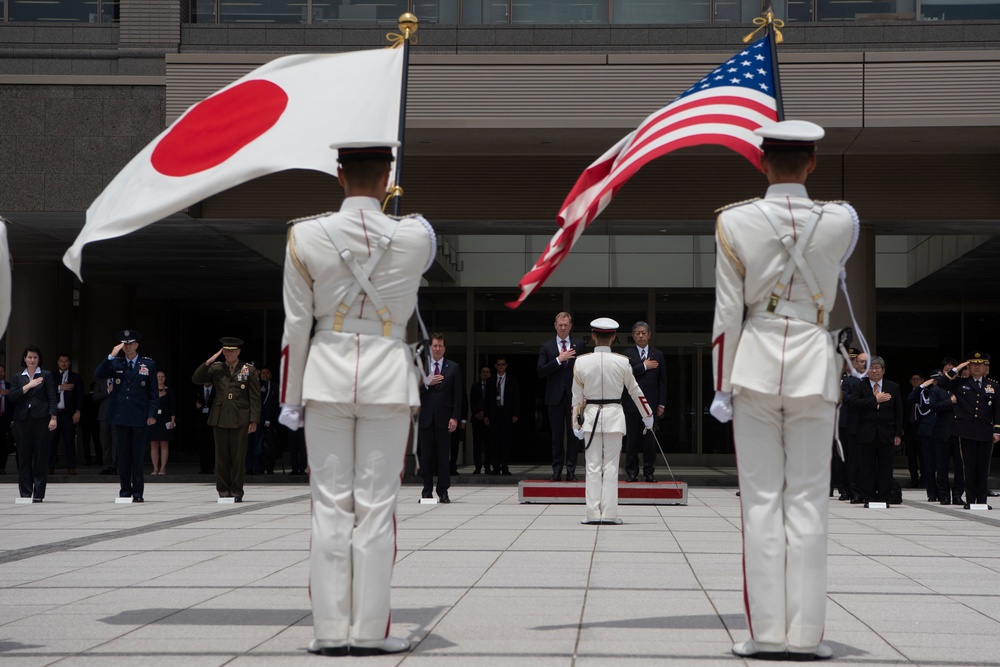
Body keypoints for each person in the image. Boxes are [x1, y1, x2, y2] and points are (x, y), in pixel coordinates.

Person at [277, 142, 435, 656]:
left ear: (338, 175)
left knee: (328, 508)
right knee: (375, 508)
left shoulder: (304, 235)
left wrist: (290, 397)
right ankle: (369, 632)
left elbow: (296, 326)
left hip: (325, 376)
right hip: (388, 379)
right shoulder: (417, 234)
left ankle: (328, 630)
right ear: (389, 175)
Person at [710, 119, 857, 661]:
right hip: (814, 366)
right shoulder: (841, 220)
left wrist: (720, 387)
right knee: (809, 502)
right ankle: (806, 636)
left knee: (762, 503)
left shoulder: (734, 221)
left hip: (753, 363)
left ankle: (768, 633)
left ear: (760, 162)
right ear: (812, 163)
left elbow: (728, 312)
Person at [571, 318, 653, 524]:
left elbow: (576, 398)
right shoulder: (622, 361)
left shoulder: (580, 362)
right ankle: (609, 514)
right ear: (614, 337)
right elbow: (636, 392)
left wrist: (575, 424)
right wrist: (648, 415)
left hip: (590, 417)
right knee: (611, 467)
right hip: (614, 417)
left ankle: (592, 514)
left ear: (593, 336)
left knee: (592, 466)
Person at [192, 337, 260, 502]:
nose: (229, 353)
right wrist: (209, 361)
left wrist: (254, 420)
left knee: (238, 457)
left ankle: (236, 490)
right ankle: (223, 491)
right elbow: (196, 378)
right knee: (221, 456)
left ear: (238, 351)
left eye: (232, 350)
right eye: (226, 350)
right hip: (220, 416)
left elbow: (255, 397)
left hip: (240, 418)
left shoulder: (248, 370)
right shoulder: (216, 368)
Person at [95, 330, 158, 502]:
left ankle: (137, 493)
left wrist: (152, 414)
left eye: (130, 343)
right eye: (125, 344)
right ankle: (125, 491)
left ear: (137, 344)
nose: (128, 347)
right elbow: (99, 373)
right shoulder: (116, 363)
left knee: (137, 457)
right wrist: (111, 355)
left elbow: (153, 393)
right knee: (123, 456)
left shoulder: (148, 365)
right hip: (121, 416)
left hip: (139, 416)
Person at [941, 353, 1000, 509]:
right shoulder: (960, 383)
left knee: (983, 467)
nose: (976, 367)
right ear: (968, 366)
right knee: (969, 466)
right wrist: (956, 369)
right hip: (966, 431)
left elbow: (997, 410)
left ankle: (981, 501)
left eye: (980, 364)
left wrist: (997, 430)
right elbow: (941, 382)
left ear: (985, 367)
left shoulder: (993, 385)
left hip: (985, 431)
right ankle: (970, 499)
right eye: (973, 364)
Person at [849, 356, 903, 505]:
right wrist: (875, 400)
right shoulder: (860, 386)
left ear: (883, 370)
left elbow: (898, 412)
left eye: (877, 368)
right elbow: (854, 403)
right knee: (867, 467)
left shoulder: (893, 387)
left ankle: (885, 496)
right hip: (866, 433)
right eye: (871, 368)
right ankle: (869, 496)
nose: (874, 371)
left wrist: (898, 433)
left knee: (886, 466)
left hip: (887, 433)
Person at [538, 312, 585, 481]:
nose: (563, 327)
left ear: (571, 326)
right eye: (560, 325)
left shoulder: (579, 345)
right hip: (554, 398)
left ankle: (571, 470)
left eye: (566, 325)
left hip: (575, 398)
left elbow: (584, 371)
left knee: (574, 435)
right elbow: (541, 370)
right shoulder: (547, 346)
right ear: (555, 325)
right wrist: (559, 359)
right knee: (556, 436)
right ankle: (557, 470)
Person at [8, 345, 58, 502]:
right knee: (23, 457)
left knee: (41, 457)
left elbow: (52, 397)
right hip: (22, 420)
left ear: (39, 359)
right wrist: (29, 385)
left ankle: (38, 494)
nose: (32, 360)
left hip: (41, 419)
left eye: (35, 357)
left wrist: (53, 417)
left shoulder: (46, 375)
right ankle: (25, 493)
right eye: (29, 357)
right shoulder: (18, 377)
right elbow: (12, 397)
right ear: (24, 359)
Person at [419, 333, 462, 503]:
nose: (437, 349)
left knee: (444, 456)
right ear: (430, 348)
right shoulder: (422, 368)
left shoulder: (453, 367)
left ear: (444, 348)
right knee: (426, 456)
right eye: (434, 346)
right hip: (426, 418)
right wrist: (426, 383)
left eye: (440, 346)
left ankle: (443, 491)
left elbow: (457, 395)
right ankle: (426, 490)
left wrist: (455, 417)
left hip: (445, 419)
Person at [622, 321, 666, 482]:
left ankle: (649, 472)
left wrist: (661, 403)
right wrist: (644, 366)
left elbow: (662, 381)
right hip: (632, 404)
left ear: (649, 335)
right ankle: (631, 472)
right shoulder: (627, 354)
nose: (640, 335)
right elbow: (625, 374)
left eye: (643, 333)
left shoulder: (658, 354)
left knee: (650, 441)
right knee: (632, 440)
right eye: (637, 333)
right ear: (633, 336)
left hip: (651, 404)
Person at [910, 369, 953, 502]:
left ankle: (942, 493)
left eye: (939, 380)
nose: (936, 382)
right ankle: (932, 493)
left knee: (942, 465)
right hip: (927, 433)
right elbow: (910, 398)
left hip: (942, 432)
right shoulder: (924, 392)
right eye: (934, 380)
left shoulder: (947, 392)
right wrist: (922, 385)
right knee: (929, 465)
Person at [49, 353, 83, 475]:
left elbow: (80, 396)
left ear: (69, 363)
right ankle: (50, 466)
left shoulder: (75, 377)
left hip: (68, 414)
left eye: (66, 361)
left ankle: (71, 467)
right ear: (58, 362)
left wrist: (78, 411)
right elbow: (46, 391)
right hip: (54, 414)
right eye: (61, 361)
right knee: (52, 440)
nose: (63, 363)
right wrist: (60, 387)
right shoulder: (51, 376)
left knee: (69, 441)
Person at [485, 356, 519, 476]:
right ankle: (495, 467)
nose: (501, 367)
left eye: (503, 364)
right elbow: (487, 400)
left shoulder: (512, 380)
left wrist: (515, 413)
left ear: (506, 366)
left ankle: (504, 466)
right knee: (493, 442)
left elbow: (515, 398)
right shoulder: (491, 381)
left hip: (506, 414)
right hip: (494, 414)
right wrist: (486, 415)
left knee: (506, 441)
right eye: (498, 364)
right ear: (495, 366)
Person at [148, 371, 176, 475]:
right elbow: (148, 404)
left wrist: (173, 420)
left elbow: (173, 407)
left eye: (162, 376)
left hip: (165, 419)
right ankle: (155, 468)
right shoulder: (151, 391)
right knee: (154, 444)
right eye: (158, 377)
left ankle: (163, 468)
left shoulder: (170, 391)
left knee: (164, 443)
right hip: (153, 419)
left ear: (165, 378)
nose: (160, 378)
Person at [469, 365, 491, 474]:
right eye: (483, 372)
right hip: (477, 418)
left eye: (487, 372)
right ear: (480, 374)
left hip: (488, 420)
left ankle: (487, 466)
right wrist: (477, 413)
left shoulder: (493, 387)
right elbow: (472, 402)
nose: (485, 374)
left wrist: (486, 414)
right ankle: (477, 466)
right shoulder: (475, 387)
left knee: (488, 444)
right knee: (477, 443)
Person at [258, 367, 279, 474]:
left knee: (271, 444)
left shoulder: (275, 386)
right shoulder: (257, 385)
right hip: (259, 419)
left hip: (272, 420)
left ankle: (270, 468)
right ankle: (259, 467)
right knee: (259, 445)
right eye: (263, 373)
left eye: (267, 373)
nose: (265, 375)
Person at [93, 377, 117, 475]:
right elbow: (95, 396)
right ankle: (106, 466)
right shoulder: (100, 380)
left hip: (117, 415)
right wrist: (108, 391)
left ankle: (115, 466)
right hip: (104, 415)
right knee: (105, 441)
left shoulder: (120, 379)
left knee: (116, 442)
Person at [194, 382, 215, 474]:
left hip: (213, 420)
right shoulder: (198, 390)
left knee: (212, 444)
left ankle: (212, 466)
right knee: (202, 444)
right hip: (201, 421)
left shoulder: (217, 390)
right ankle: (203, 467)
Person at [0, 364, 11, 475]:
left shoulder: (9, 386)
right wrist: (1, 394)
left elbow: (13, 403)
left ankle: (2, 467)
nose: (0, 373)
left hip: (4, 418)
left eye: (2, 371)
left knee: (3, 444)